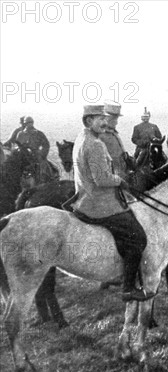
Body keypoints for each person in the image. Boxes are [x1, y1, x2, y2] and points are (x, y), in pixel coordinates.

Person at [67, 105, 152, 302]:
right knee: (138, 237)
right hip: (98, 204)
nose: (105, 123)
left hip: (86, 198)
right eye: (100, 119)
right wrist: (119, 181)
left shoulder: (82, 137)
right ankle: (128, 288)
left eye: (105, 118)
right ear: (89, 121)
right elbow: (101, 179)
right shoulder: (95, 144)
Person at [8, 116, 57, 184]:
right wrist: (20, 149)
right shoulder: (20, 133)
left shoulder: (39, 133)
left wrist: (42, 154)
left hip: (35, 154)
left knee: (43, 166)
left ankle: (43, 179)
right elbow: (17, 144)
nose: (29, 124)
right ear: (25, 123)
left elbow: (46, 145)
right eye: (28, 123)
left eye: (31, 122)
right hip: (23, 155)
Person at [99, 101, 132, 180]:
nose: (116, 122)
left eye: (116, 118)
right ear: (106, 119)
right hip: (114, 175)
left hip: (124, 170)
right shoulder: (100, 136)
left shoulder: (113, 132)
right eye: (114, 119)